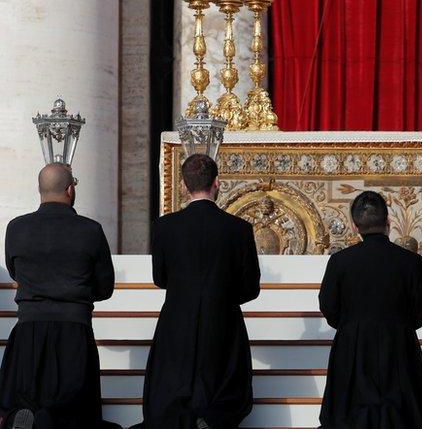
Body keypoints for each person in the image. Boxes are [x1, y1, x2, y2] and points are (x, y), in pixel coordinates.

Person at [137, 154, 260, 429]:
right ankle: (212, 417)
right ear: (217, 183)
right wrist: (223, 297)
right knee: (225, 378)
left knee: (173, 379)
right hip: (223, 317)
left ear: (183, 186)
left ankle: (181, 416)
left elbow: (160, 278)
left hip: (178, 317)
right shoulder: (239, 229)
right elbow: (251, 286)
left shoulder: (164, 227)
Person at [0, 163, 119, 429]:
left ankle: (27, 415)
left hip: (29, 329)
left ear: (40, 190)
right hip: (74, 328)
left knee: (27, 394)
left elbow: (14, 270)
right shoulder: (91, 230)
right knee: (74, 408)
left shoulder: (16, 228)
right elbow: (105, 287)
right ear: (69, 190)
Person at [318, 191, 422, 429]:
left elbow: (328, 306)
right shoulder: (410, 261)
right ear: (388, 223)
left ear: (354, 227)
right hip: (399, 347)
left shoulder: (340, 261)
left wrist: (351, 326)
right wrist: (402, 325)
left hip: (353, 349)